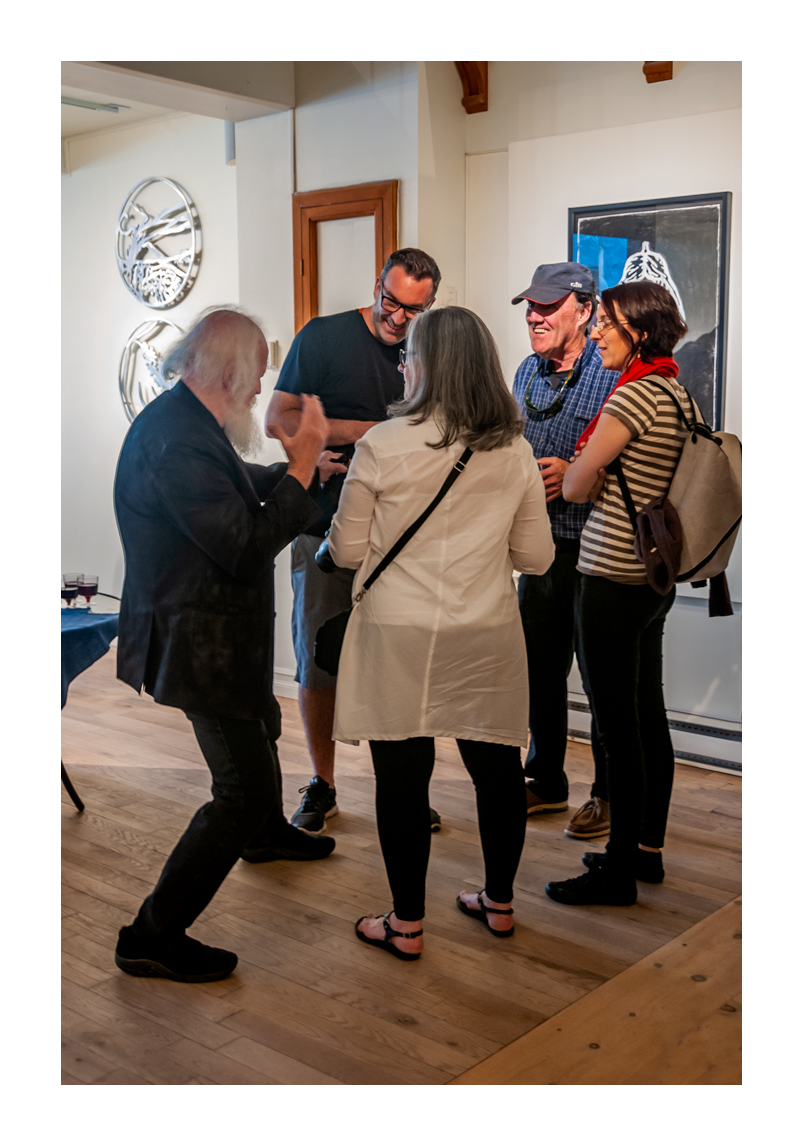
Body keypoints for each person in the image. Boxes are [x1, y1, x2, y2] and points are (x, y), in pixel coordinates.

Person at [112, 308, 335, 984]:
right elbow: (240, 545)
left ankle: (264, 836)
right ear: (231, 375)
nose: (260, 394)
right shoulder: (175, 440)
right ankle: (152, 933)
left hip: (214, 633)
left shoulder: (188, 424)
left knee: (260, 722)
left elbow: (233, 489)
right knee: (240, 788)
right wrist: (297, 472)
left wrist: (301, 475)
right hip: (193, 639)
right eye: (257, 381)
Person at [327, 306, 555, 959]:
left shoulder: (381, 443)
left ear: (422, 365)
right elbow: (536, 559)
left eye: (410, 354)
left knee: (403, 780)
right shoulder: (513, 450)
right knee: (497, 771)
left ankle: (404, 926)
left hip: (397, 632)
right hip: (483, 629)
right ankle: (500, 904)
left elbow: (345, 552)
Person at [265, 248, 443, 834]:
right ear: (377, 287)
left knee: (404, 664)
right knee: (319, 661)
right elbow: (280, 420)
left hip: (407, 538)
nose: (399, 320)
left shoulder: (433, 347)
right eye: (392, 303)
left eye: (415, 310)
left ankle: (405, 784)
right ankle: (324, 782)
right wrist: (374, 433)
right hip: (322, 527)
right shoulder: (322, 337)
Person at [546, 281, 693, 906]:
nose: (597, 332)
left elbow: (574, 488)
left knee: (616, 730)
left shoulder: (633, 396)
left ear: (636, 330)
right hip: (651, 580)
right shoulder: (678, 393)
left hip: (610, 576)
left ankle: (617, 872)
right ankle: (644, 851)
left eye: (605, 322)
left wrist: (589, 468)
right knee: (646, 716)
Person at [511, 262, 620, 838]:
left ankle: (607, 792)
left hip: (598, 550)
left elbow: (643, 459)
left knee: (601, 677)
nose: (535, 316)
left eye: (549, 307)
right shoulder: (526, 372)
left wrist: (582, 474)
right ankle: (545, 781)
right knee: (540, 672)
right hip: (538, 549)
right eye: (531, 306)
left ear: (584, 310)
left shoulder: (612, 371)